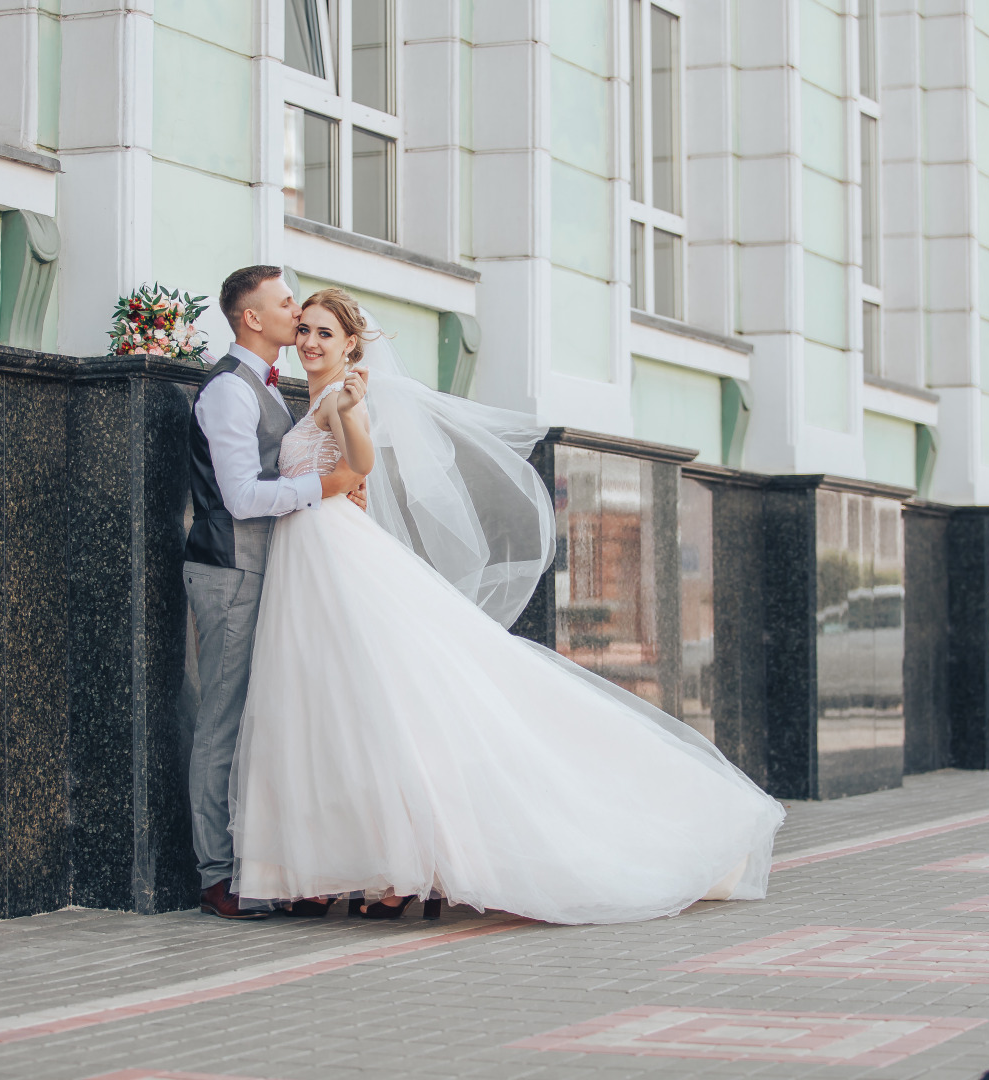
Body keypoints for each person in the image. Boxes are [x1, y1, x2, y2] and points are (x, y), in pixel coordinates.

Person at [226, 288, 786, 925]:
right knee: (334, 704)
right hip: (311, 556)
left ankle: (392, 873)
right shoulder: (316, 398)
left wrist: (352, 415)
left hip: (332, 553)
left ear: (352, 343)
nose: (309, 343)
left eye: (325, 333)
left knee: (370, 698)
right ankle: (361, 867)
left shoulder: (341, 398)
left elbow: (361, 464)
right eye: (304, 331)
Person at [184, 266, 367, 920]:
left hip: (270, 568)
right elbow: (239, 497)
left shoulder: (272, 387)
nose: (297, 312)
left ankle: (268, 863)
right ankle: (216, 875)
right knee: (225, 719)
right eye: (286, 302)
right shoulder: (230, 393)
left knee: (269, 715)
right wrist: (326, 487)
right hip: (231, 569)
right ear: (252, 319)